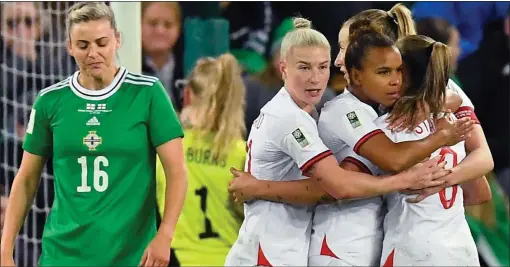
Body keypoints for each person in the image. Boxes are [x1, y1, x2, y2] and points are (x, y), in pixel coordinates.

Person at [224, 17, 453, 267]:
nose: (316, 77)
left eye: (322, 67)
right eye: (304, 67)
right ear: (283, 69)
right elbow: (336, 186)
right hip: (282, 252)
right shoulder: (294, 118)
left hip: (293, 248)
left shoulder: (307, 113)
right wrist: (407, 177)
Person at [0, 2, 187, 266]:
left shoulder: (148, 93)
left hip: (131, 256)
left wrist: (165, 234)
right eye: (83, 45)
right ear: (70, 46)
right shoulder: (49, 101)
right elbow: (26, 179)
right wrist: (5, 249)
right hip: (62, 255)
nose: (94, 53)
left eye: (102, 43)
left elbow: (177, 171)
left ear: (117, 41)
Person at [379, 34, 492, 267]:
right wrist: (448, 179)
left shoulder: (384, 129)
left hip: (412, 247)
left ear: (403, 74)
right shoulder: (454, 126)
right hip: (461, 248)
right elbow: (481, 192)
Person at [155, 53, 246, 266]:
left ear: (187, 95)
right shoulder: (242, 154)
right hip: (230, 259)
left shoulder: (168, 147)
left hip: (178, 259)